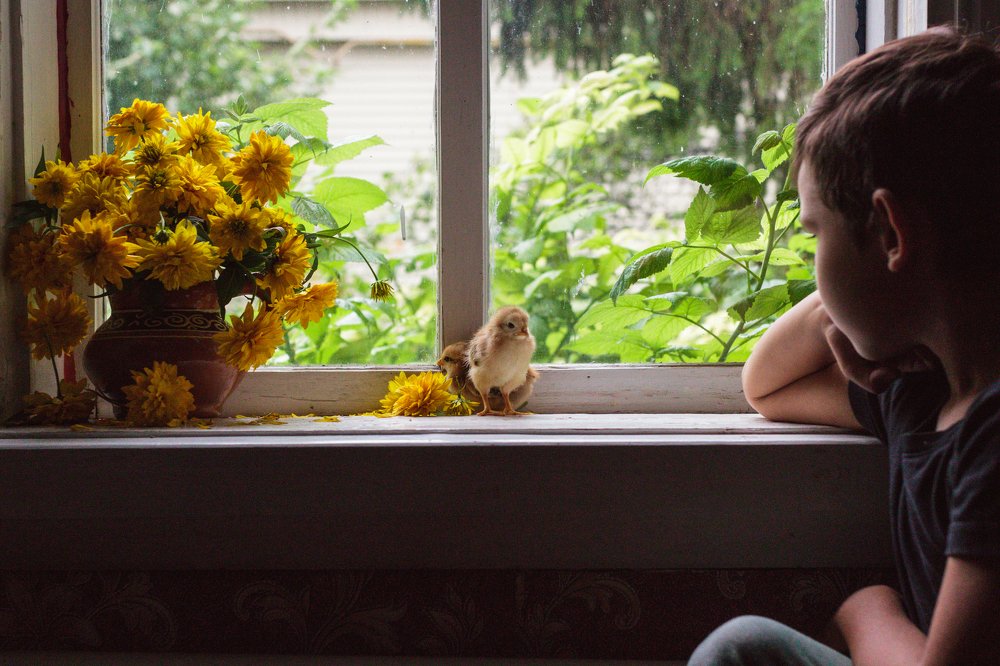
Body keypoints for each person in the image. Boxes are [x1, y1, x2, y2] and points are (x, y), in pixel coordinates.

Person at [688, 26, 1000, 665]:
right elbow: (767, 384)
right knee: (743, 645)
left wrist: (866, 610)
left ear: (891, 233)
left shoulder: (991, 435)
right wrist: (849, 310)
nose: (814, 270)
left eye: (815, 236)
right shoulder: (923, 396)